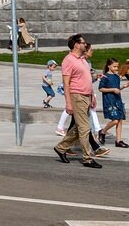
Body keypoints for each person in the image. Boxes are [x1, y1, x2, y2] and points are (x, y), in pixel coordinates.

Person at [54, 34, 101, 168]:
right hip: (77, 96)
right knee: (85, 128)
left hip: (86, 96)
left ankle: (61, 147)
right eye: (83, 43)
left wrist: (92, 96)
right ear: (76, 44)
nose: (85, 45)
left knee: (78, 127)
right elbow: (66, 83)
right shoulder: (68, 60)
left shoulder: (82, 59)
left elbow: (87, 79)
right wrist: (68, 103)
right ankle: (87, 158)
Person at [97, 58, 129, 148]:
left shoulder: (116, 76)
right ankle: (103, 131)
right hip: (109, 100)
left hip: (117, 100)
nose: (116, 68)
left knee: (120, 120)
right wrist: (112, 90)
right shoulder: (105, 77)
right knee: (115, 120)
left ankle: (118, 140)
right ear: (109, 66)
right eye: (114, 66)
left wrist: (123, 87)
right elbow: (100, 88)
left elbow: (117, 89)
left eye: (117, 66)